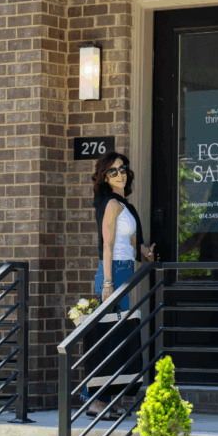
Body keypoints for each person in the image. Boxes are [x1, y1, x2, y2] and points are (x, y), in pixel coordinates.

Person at [82, 151, 157, 419]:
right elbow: (109, 245)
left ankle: (109, 400)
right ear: (104, 177)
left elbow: (133, 244)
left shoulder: (125, 205)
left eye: (122, 168)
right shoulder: (111, 205)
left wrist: (147, 252)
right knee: (109, 338)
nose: (119, 174)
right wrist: (108, 283)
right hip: (112, 274)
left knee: (119, 336)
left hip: (125, 272)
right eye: (112, 171)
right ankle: (96, 402)